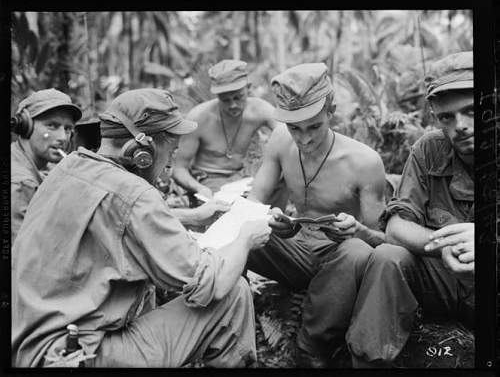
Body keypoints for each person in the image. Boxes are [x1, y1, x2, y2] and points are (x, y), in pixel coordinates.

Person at [11, 88, 272, 368]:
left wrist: (193, 216)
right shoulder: (134, 193)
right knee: (233, 293)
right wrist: (245, 238)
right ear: (143, 151)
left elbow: (116, 216)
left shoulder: (69, 166)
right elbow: (213, 284)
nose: (170, 164)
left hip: (29, 346)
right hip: (78, 355)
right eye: (170, 152)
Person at [246, 63, 388, 367]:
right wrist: (270, 217)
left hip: (341, 263)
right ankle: (236, 325)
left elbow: (382, 243)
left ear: (331, 111)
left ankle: (310, 344)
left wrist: (357, 230)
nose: (305, 139)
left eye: (314, 127)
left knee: (359, 251)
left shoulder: (364, 162)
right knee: (238, 222)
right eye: (294, 128)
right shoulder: (280, 142)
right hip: (296, 252)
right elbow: (254, 199)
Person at [353, 51, 474, 367]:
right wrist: (444, 245)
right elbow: (396, 226)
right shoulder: (430, 149)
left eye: (473, 111)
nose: (460, 126)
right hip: (446, 280)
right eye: (447, 117)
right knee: (387, 256)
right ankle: (368, 362)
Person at [172, 59, 287, 207]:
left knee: (283, 175)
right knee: (226, 212)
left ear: (248, 88)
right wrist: (199, 188)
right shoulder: (199, 117)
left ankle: (275, 222)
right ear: (216, 96)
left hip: (245, 177)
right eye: (225, 100)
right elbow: (179, 169)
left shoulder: (259, 110)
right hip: (210, 179)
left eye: (238, 97)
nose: (233, 105)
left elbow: (287, 135)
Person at [10, 88, 82, 243]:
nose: (63, 137)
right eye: (52, 126)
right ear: (25, 126)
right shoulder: (20, 184)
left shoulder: (37, 164)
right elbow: (22, 257)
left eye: (68, 129)